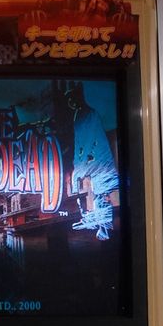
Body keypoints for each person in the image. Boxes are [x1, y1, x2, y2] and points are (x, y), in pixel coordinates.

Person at [64, 81, 118, 240]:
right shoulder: (78, 118)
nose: (70, 101)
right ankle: (95, 220)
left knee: (100, 192)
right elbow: (78, 144)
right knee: (86, 190)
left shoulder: (91, 115)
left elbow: (91, 142)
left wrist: (83, 164)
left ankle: (104, 225)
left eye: (72, 97)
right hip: (86, 165)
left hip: (98, 163)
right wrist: (77, 166)